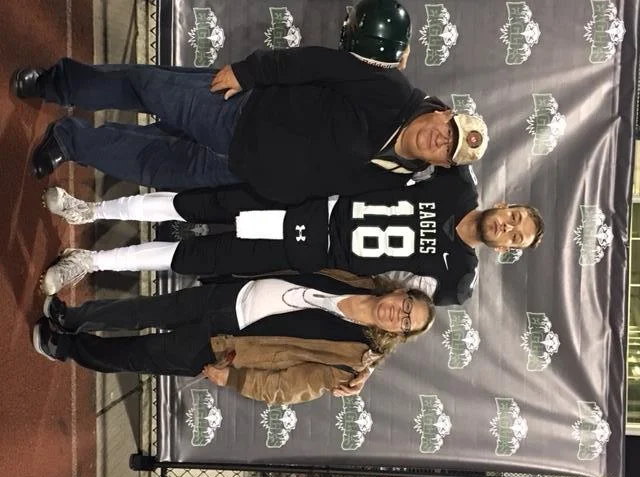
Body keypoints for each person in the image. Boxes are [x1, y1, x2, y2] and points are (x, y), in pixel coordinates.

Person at [11, 0, 488, 204]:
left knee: (148, 163)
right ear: (444, 113)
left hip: (240, 169)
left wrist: (268, 189)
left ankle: (69, 141)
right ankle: (56, 84)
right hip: (241, 112)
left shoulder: (398, 179)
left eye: (448, 150)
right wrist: (250, 72)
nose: (440, 140)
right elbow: (317, 63)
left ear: (444, 164)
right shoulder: (392, 91)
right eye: (448, 130)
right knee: (144, 87)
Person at [40, 167, 544, 305]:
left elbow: (399, 301)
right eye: (515, 216)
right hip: (313, 202)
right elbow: (413, 144)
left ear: (507, 251)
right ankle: (90, 210)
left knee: (193, 257)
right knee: (195, 203)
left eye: (515, 237)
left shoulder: (458, 279)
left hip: (312, 249)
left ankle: (90, 261)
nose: (508, 227)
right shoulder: (459, 182)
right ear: (506, 204)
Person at [32, 273, 435, 405]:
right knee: (143, 310)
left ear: (399, 335)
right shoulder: (360, 278)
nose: (397, 315)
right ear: (401, 291)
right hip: (229, 298)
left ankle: (65, 347)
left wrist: (235, 379)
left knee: (138, 354)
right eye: (406, 306)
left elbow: (288, 388)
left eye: (406, 324)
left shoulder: (350, 363)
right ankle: (72, 317)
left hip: (225, 348)